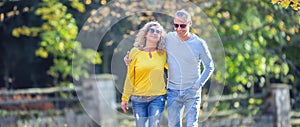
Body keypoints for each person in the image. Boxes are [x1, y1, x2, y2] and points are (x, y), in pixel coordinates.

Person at [124, 9, 214, 127]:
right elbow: (151, 46)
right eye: (176, 25)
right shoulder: (169, 39)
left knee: (191, 124)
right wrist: (130, 57)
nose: (179, 29)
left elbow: (209, 66)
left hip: (192, 91)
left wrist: (198, 84)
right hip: (173, 91)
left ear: (190, 24)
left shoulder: (199, 44)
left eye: (182, 26)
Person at [121, 21, 167, 127]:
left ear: (161, 36)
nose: (154, 33)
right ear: (145, 34)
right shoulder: (135, 52)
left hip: (157, 97)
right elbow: (130, 77)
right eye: (151, 30)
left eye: (158, 31)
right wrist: (125, 98)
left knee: (153, 125)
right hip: (138, 98)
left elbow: (174, 68)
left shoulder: (163, 53)